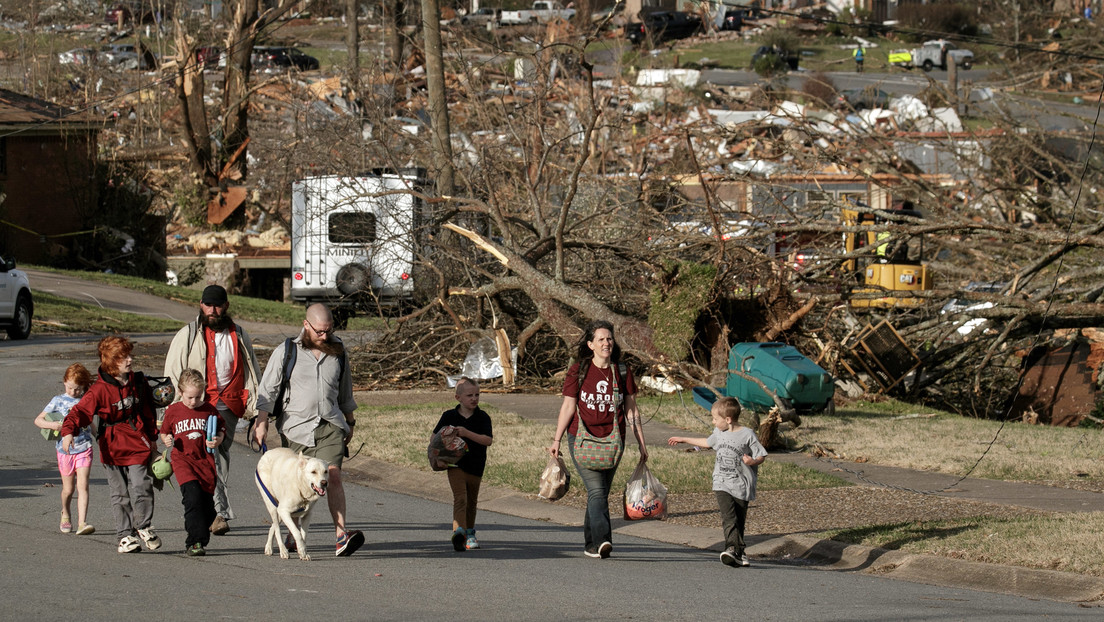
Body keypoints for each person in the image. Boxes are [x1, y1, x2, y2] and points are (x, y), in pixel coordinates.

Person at [252, 303, 364, 557]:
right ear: (306, 325)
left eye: (329, 330)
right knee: (298, 482)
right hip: (295, 428)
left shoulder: (338, 351)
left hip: (330, 424)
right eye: (319, 331)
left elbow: (345, 390)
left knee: (331, 475)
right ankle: (294, 534)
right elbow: (268, 389)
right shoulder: (287, 351)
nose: (325, 336)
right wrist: (262, 421)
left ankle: (341, 537)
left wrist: (350, 420)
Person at [164, 284, 260, 536]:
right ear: (201, 304)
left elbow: (252, 372)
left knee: (219, 454)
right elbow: (173, 374)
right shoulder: (187, 335)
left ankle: (216, 511)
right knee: (207, 455)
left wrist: (257, 409)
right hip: (197, 405)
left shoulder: (239, 334)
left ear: (226, 306)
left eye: (217, 305)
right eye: (208, 304)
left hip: (228, 404)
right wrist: (171, 412)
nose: (212, 310)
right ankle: (218, 512)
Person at [549, 319, 648, 559]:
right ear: (591, 344)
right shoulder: (579, 370)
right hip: (581, 439)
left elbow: (632, 410)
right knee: (596, 491)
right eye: (601, 339)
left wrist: (642, 444)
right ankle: (604, 540)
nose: (606, 343)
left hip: (614, 441)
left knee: (599, 492)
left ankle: (591, 544)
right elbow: (568, 407)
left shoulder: (622, 371)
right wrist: (557, 440)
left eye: (609, 338)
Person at [61, 336, 161, 554]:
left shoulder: (138, 382)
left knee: (142, 486)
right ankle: (125, 536)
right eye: (124, 356)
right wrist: (68, 432)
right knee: (120, 494)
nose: (130, 359)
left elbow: (148, 411)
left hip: (137, 442)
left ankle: (143, 525)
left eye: (129, 355)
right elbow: (79, 413)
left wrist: (153, 438)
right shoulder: (99, 389)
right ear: (112, 361)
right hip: (112, 445)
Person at [667, 397, 767, 567]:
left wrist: (752, 462)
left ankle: (739, 552)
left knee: (739, 519)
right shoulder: (718, 433)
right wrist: (684, 439)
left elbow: (761, 455)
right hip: (721, 482)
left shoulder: (747, 434)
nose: (713, 422)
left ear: (728, 419)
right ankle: (731, 549)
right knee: (728, 517)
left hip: (742, 485)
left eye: (715, 419)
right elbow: (707, 443)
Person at [160, 369, 225, 557]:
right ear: (180, 392)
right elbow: (165, 432)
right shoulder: (173, 411)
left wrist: (218, 440)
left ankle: (205, 526)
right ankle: (194, 542)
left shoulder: (209, 410)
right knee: (192, 498)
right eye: (189, 397)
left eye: (197, 397)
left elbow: (221, 430)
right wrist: (166, 440)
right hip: (183, 461)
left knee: (205, 504)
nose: (193, 402)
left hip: (205, 462)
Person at [432, 377, 494, 552]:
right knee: (461, 498)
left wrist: (466, 433)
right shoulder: (449, 416)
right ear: (458, 398)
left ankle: (470, 533)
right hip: (455, 465)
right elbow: (434, 438)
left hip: (476, 466)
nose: (474, 399)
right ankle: (458, 532)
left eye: (477, 395)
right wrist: (440, 453)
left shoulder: (483, 417)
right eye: (469, 395)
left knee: (471, 502)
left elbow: (487, 440)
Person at [34, 363, 95, 536]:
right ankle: (66, 512)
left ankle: (82, 522)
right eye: (70, 388)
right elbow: (38, 420)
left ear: (84, 387)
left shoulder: (86, 400)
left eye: (78, 389)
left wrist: (100, 438)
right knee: (68, 490)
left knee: (83, 485)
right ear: (64, 382)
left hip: (84, 447)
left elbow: (91, 422)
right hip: (65, 450)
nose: (74, 392)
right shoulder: (58, 400)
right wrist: (54, 425)